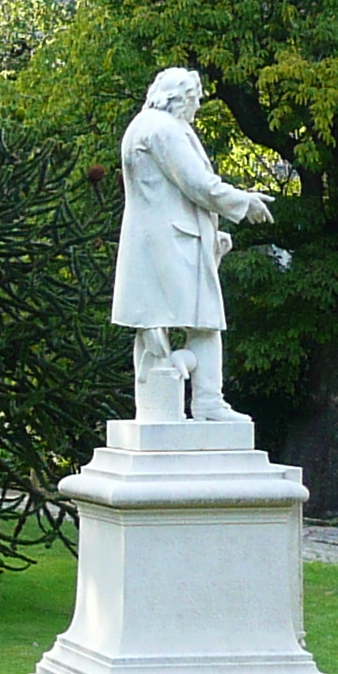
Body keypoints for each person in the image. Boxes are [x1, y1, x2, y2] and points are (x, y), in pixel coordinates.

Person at [113, 66, 275, 420]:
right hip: (171, 242)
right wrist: (244, 202)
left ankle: (169, 406)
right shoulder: (163, 129)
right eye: (195, 99)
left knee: (156, 324)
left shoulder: (142, 126)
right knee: (202, 321)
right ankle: (207, 401)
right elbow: (197, 183)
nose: (197, 106)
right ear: (180, 99)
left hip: (165, 239)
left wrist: (209, 232)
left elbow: (164, 193)